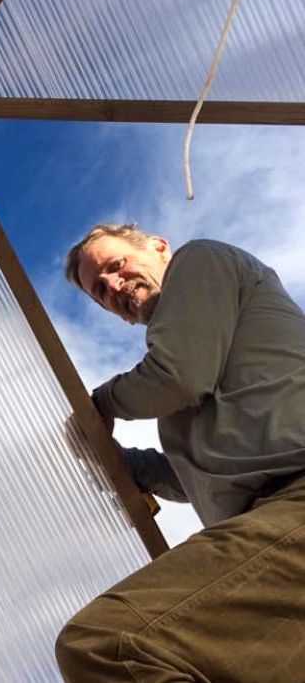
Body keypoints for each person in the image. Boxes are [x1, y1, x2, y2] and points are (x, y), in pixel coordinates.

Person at [55, 223, 305, 682]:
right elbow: (195, 476)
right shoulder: (190, 384)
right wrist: (119, 464)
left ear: (158, 247)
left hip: (294, 502)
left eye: (115, 265)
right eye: (100, 292)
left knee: (109, 641)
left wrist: (100, 406)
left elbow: (178, 376)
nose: (112, 286)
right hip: (271, 528)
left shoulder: (200, 260)